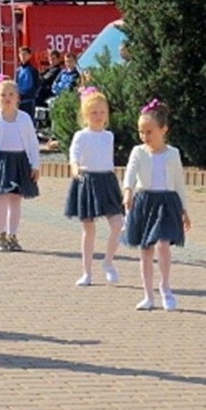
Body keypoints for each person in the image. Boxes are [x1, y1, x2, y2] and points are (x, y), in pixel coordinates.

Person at [122, 99, 191, 311]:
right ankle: (148, 295)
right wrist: (127, 192)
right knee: (146, 250)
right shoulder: (138, 151)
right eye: (141, 132)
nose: (145, 137)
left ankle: (166, 287)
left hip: (167, 203)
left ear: (163, 130)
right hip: (144, 202)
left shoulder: (173, 154)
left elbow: (179, 182)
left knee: (163, 245)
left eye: (149, 132)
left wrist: (184, 210)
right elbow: (130, 174)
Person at [64, 89, 125, 286]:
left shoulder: (109, 136)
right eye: (93, 113)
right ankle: (86, 273)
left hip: (107, 181)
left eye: (102, 112)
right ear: (85, 115)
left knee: (118, 224)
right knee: (88, 229)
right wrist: (75, 169)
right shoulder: (81, 136)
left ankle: (108, 262)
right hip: (87, 181)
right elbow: (74, 155)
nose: (98, 117)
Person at [0, 79, 41, 252]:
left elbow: (33, 144)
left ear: (17, 97)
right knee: (1, 199)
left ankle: (13, 236)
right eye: (3, 95)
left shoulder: (24, 119)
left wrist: (35, 165)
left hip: (20, 161)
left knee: (16, 200)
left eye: (11, 94)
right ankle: (1, 236)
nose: (7, 98)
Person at [15, 46, 40, 120]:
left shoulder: (33, 70)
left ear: (29, 55)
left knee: (28, 120)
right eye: (21, 54)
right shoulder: (18, 70)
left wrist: (32, 95)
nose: (23, 56)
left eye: (25, 54)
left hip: (29, 100)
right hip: (19, 100)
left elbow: (36, 85)